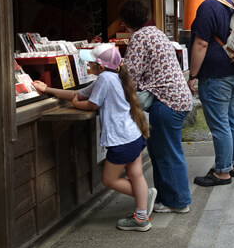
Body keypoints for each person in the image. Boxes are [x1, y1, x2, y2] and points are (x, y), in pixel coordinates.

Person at [33, 43, 156, 231]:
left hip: (121, 140)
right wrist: (48, 89)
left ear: (100, 66)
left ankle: (143, 205)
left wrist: (76, 105)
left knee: (109, 179)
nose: (87, 66)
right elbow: (77, 94)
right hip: (133, 135)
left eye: (90, 63)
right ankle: (141, 213)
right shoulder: (115, 76)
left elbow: (91, 104)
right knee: (135, 174)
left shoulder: (104, 79)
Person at [119, 0, 193, 214]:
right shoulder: (157, 32)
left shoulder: (139, 37)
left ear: (126, 23)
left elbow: (129, 75)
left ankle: (178, 201)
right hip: (177, 98)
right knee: (165, 151)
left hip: (166, 101)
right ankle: (167, 197)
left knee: (166, 153)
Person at [188, 0, 234, 187]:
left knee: (220, 124)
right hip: (233, 70)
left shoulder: (207, 7)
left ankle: (222, 172)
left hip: (215, 75)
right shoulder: (230, 3)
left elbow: (201, 44)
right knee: (231, 120)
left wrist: (192, 75)